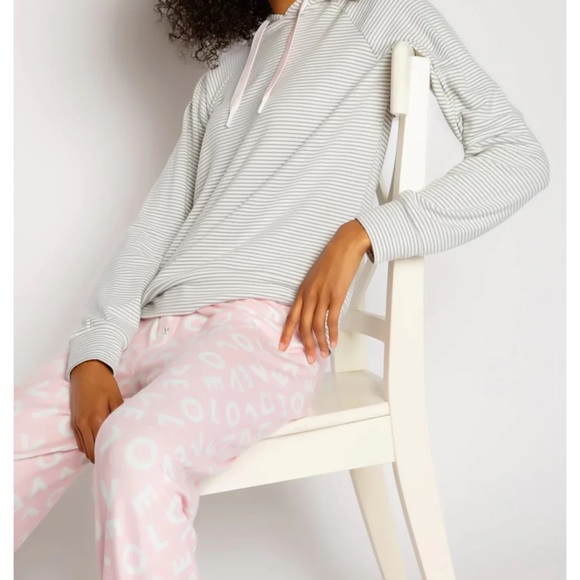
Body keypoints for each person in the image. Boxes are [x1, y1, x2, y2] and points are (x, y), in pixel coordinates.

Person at [14, 0, 551, 577]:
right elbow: (154, 227)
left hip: (261, 332)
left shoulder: (379, 15)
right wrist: (95, 352)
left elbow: (517, 156)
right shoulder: (227, 70)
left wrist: (366, 232)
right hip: (148, 326)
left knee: (137, 449)